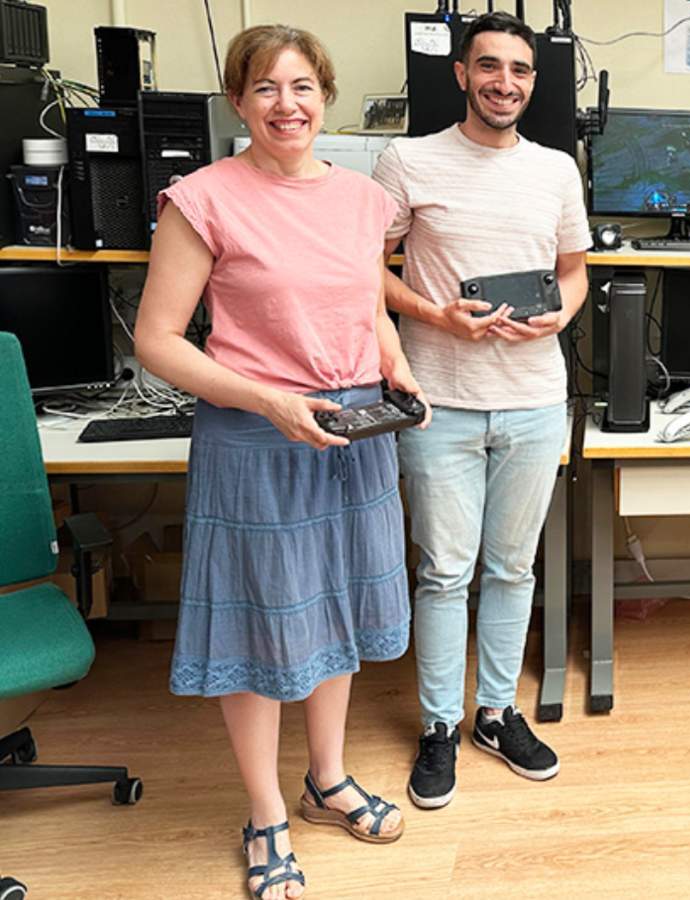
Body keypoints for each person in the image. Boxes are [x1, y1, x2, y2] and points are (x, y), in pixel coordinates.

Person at [134, 25, 425, 900]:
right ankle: (265, 815)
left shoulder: (364, 200)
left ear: (325, 96)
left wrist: (396, 364)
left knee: (338, 609)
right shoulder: (202, 199)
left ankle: (326, 780)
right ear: (238, 102)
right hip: (259, 440)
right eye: (265, 88)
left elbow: (365, 302)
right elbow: (157, 340)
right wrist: (268, 401)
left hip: (353, 434)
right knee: (261, 628)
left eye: (302, 87)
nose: (286, 105)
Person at [372, 11, 590, 809]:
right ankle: (439, 725)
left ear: (534, 81)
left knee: (512, 568)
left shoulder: (556, 169)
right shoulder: (408, 160)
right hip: (441, 403)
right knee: (443, 573)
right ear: (462, 74)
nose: (505, 83)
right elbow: (364, 269)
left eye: (520, 70)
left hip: (533, 401)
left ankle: (496, 714)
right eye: (490, 67)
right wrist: (434, 314)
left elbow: (574, 270)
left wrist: (560, 315)